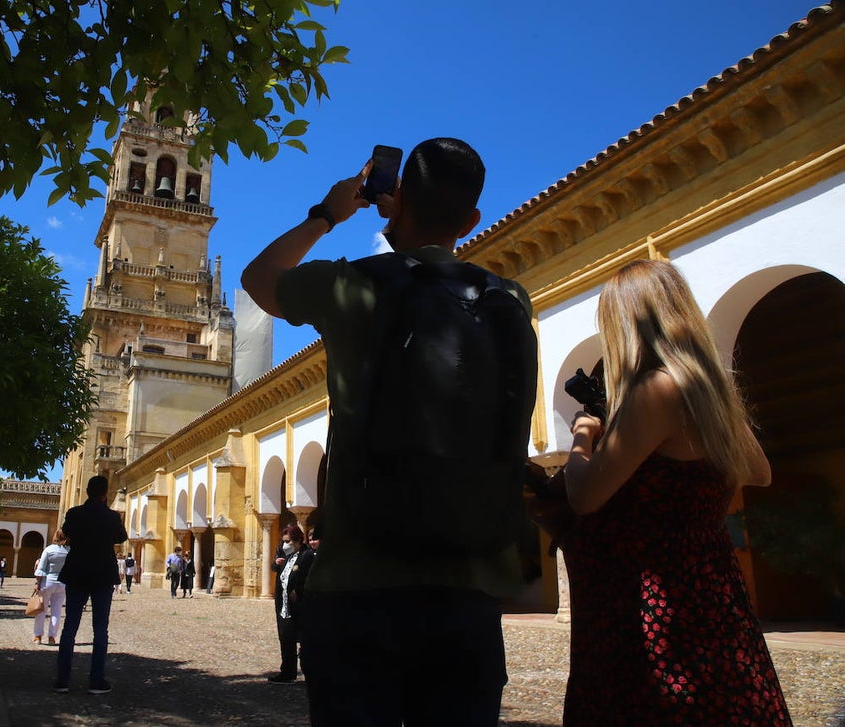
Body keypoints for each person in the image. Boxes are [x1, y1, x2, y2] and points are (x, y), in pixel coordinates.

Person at [242, 138, 534, 726]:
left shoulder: (353, 286)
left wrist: (327, 214)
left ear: (392, 201)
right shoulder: (509, 299)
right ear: (472, 219)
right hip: (468, 596)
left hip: (358, 589)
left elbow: (259, 278)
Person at [558, 259, 792, 725]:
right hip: (714, 589)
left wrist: (582, 436)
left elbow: (585, 496)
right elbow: (759, 472)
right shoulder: (711, 391)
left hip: (651, 607)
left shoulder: (655, 390)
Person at [54, 474, 128, 695]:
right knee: (100, 630)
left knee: (70, 628)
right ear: (105, 493)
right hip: (103, 575)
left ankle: (62, 680)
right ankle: (96, 681)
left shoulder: (74, 514)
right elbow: (121, 537)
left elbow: (66, 532)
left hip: (77, 573)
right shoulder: (111, 516)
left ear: (87, 491)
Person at [268, 524, 314, 684]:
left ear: (297, 540)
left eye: (287, 541)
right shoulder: (287, 556)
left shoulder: (306, 555)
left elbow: (309, 577)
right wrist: (276, 563)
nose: (284, 545)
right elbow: (276, 569)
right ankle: (287, 672)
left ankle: (311, 672)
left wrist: (298, 590)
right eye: (283, 541)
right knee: (286, 640)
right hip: (284, 606)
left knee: (304, 640)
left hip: (299, 606)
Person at [33, 529, 70, 645]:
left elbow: (41, 568)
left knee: (41, 610)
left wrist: (37, 583)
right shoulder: (69, 551)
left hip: (47, 582)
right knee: (56, 611)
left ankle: (38, 636)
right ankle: (52, 637)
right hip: (63, 583)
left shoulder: (49, 550)